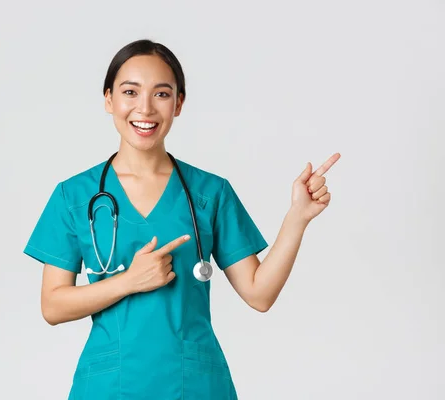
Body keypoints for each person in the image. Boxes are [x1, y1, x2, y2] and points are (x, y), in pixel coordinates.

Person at [23, 39, 340, 400]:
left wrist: (297, 218)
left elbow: (259, 294)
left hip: (195, 386)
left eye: (161, 94)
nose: (144, 108)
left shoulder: (210, 193)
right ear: (109, 99)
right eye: (130, 91)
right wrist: (129, 281)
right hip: (110, 386)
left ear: (179, 104)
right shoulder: (75, 196)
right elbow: (53, 305)